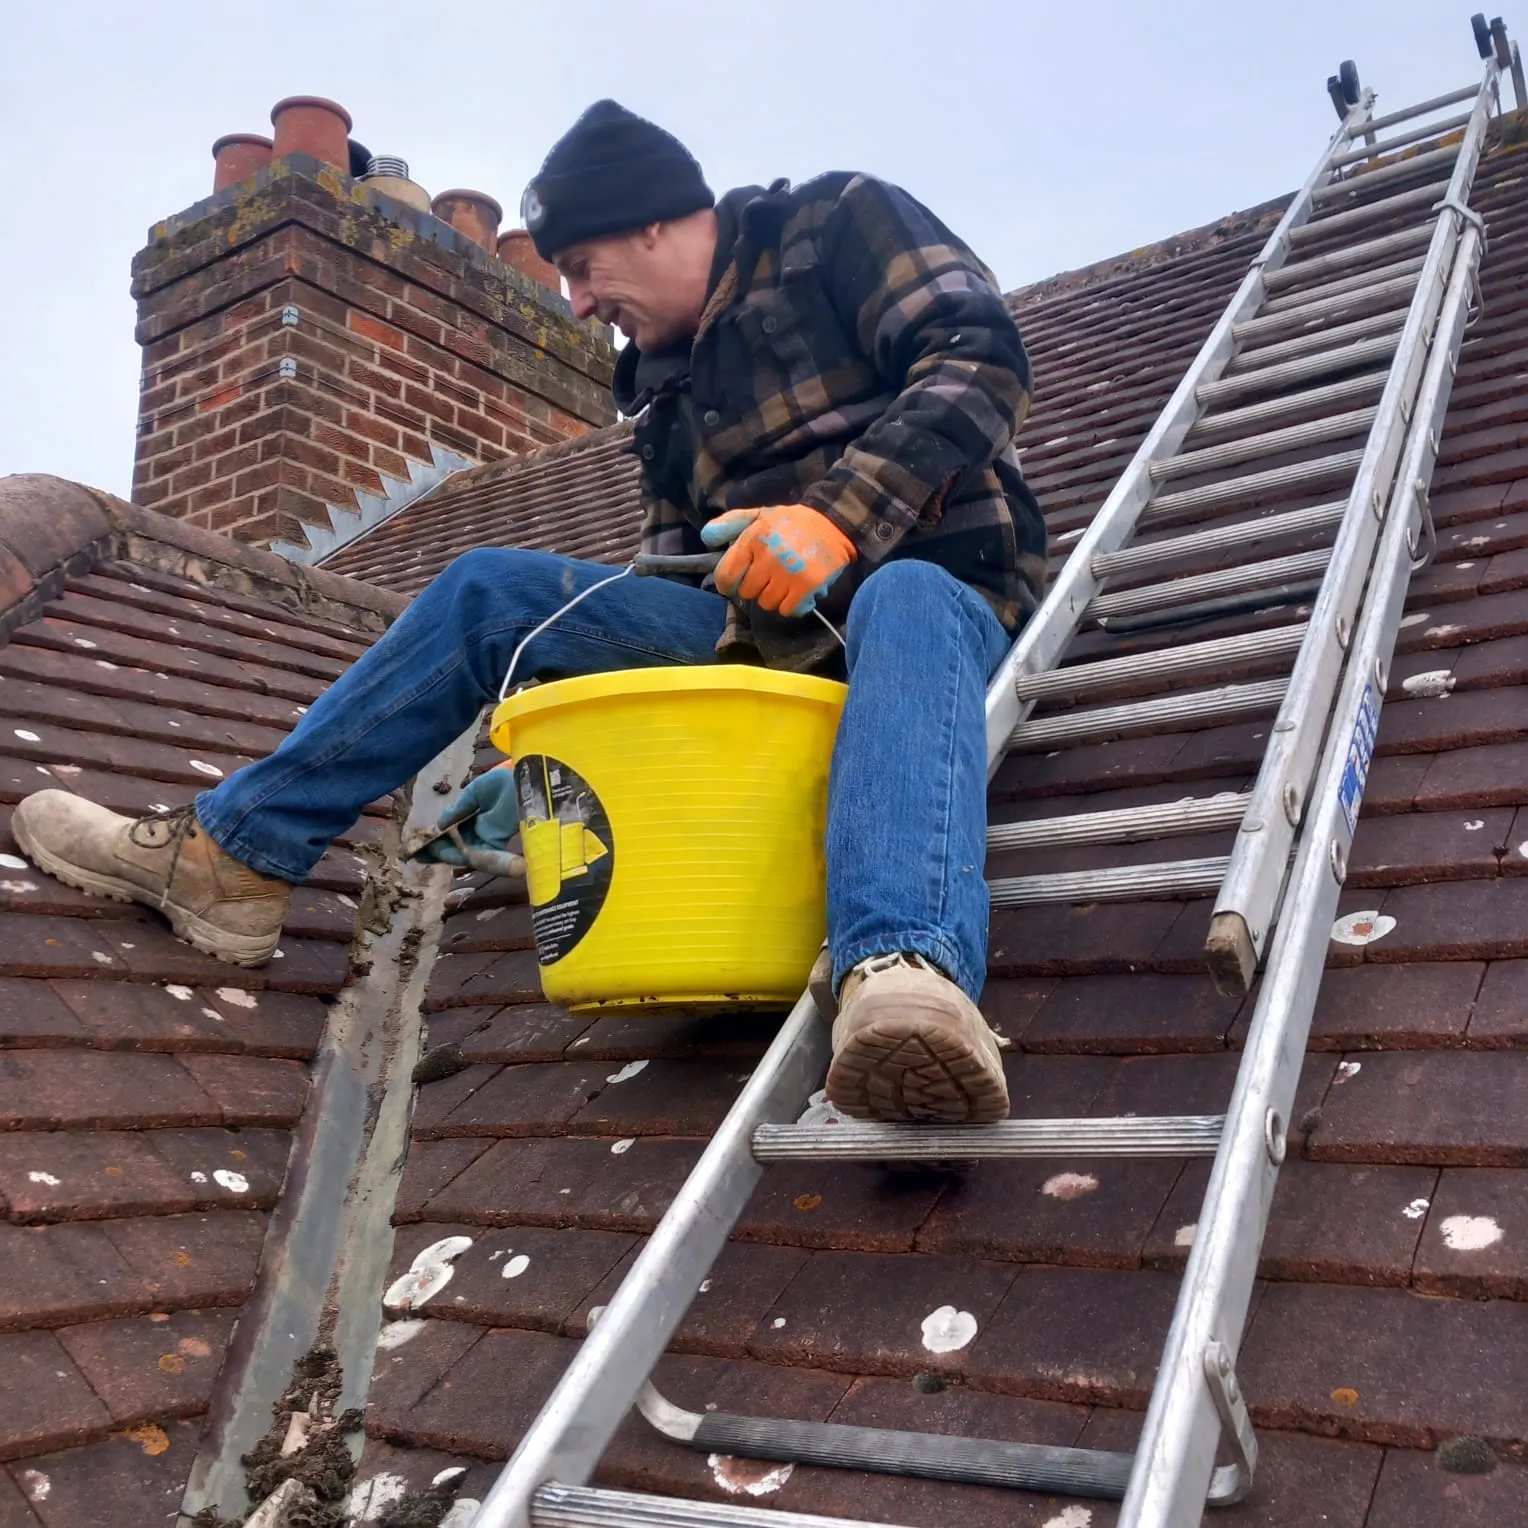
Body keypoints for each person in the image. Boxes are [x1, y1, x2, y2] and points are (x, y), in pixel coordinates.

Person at [12, 101, 1047, 1125]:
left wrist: (838, 522)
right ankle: (234, 856)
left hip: (934, 610)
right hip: (760, 651)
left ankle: (902, 969)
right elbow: (663, 585)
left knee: (904, 593)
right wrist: (567, 765)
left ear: (653, 222)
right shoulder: (662, 387)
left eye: (585, 267)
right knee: (487, 590)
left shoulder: (837, 224)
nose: (579, 303)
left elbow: (982, 354)